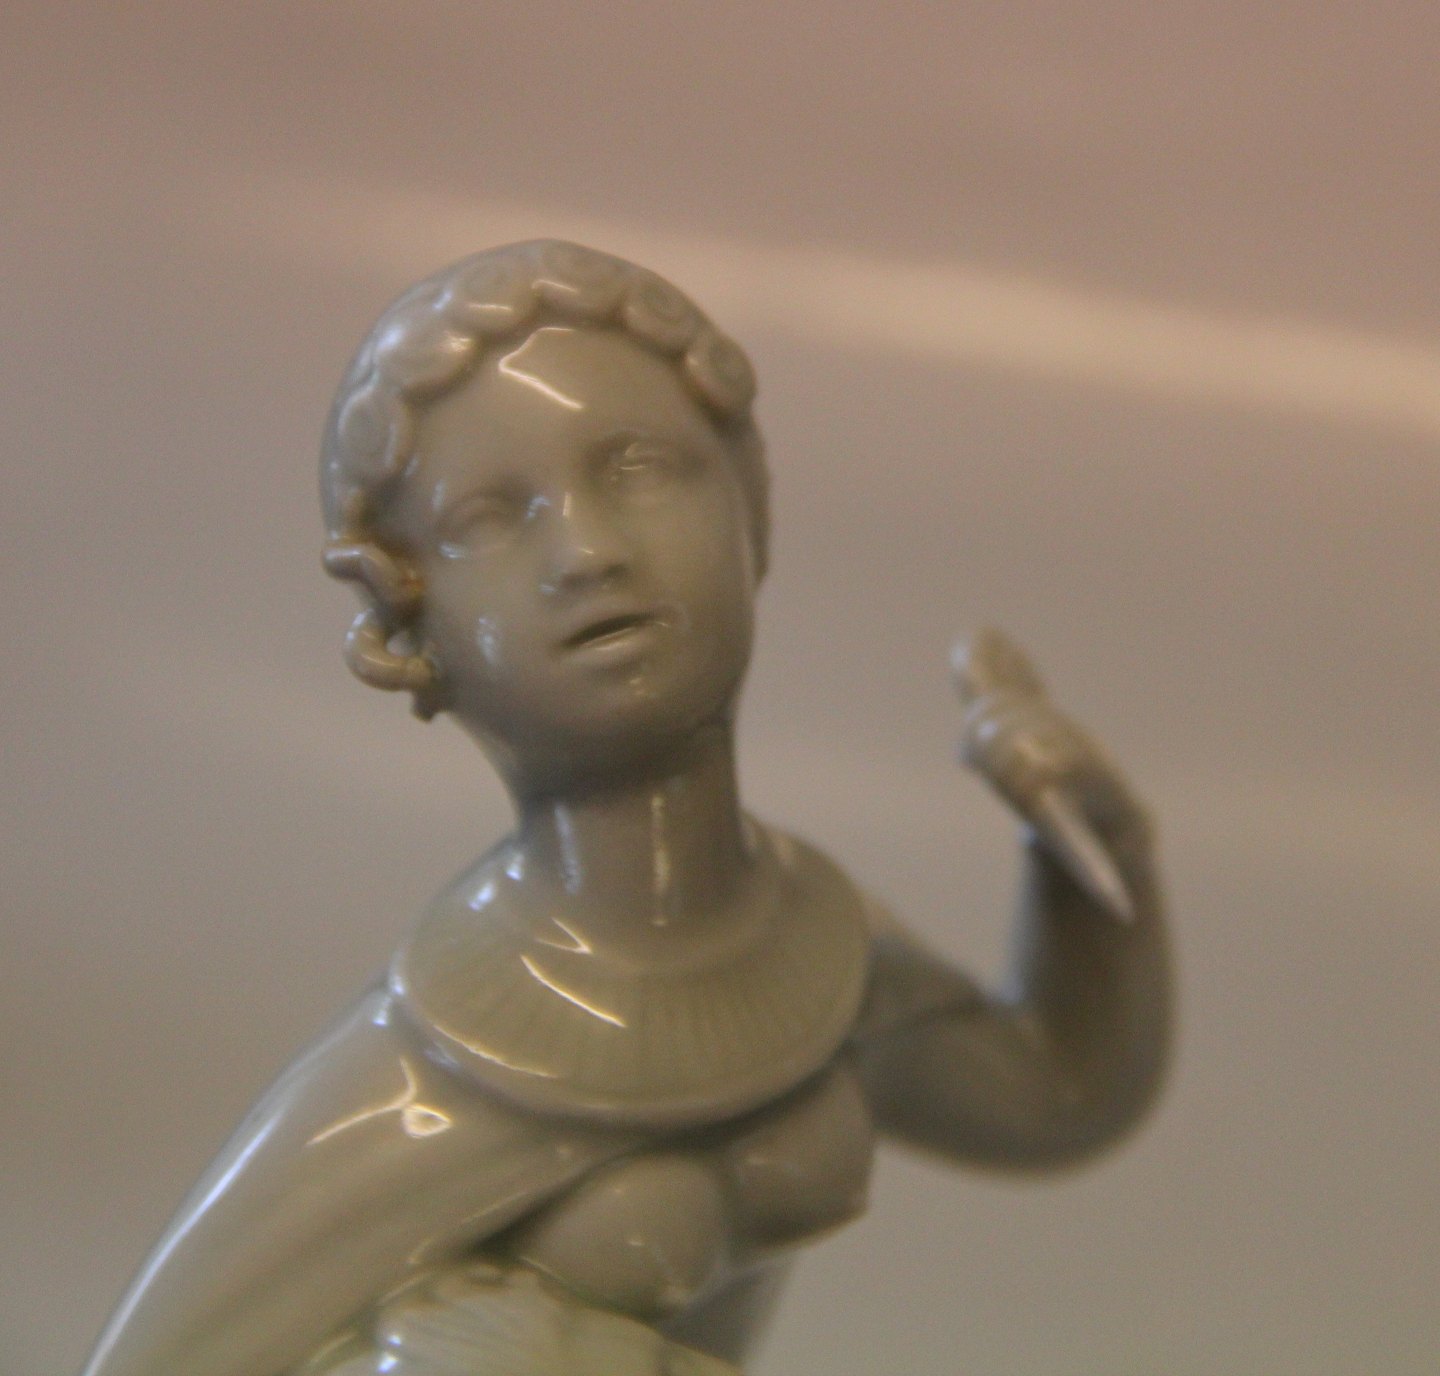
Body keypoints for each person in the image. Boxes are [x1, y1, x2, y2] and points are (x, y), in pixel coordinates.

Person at [81, 241, 1170, 1376]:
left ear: (752, 508)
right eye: (487, 518)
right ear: (408, 625)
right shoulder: (414, 1090)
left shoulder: (820, 949)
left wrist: (1095, 851)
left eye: (640, 468)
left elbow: (1059, 1095)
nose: (589, 549)